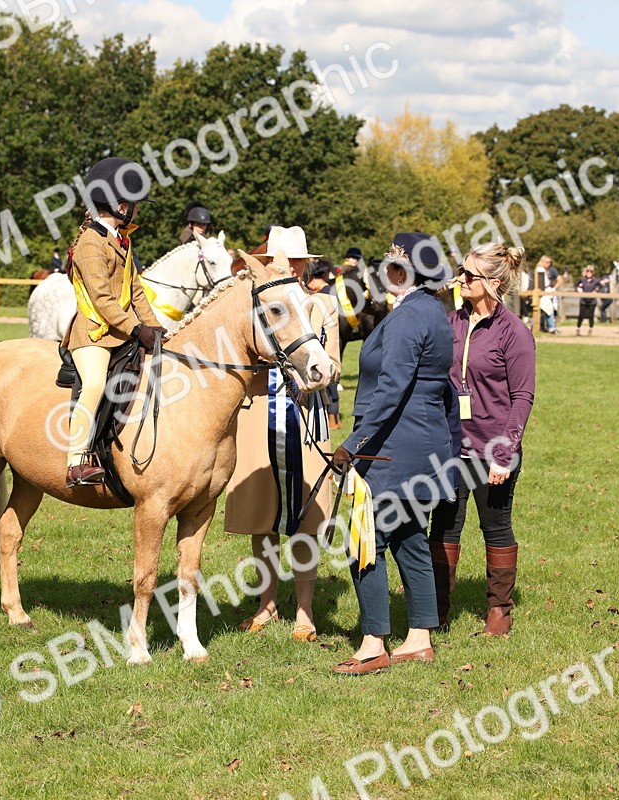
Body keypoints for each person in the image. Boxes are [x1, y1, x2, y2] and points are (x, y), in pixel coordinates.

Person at [329, 232, 456, 675]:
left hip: (391, 449)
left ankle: (372, 643)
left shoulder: (406, 318)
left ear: (414, 275)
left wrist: (352, 445)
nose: (389, 275)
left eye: (397, 269)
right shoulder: (435, 313)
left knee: (364, 540)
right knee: (409, 538)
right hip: (422, 445)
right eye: (387, 267)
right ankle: (419, 638)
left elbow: (391, 391)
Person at [225, 226, 339, 643]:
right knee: (263, 517)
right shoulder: (259, 302)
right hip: (258, 417)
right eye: (283, 259)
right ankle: (267, 602)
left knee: (307, 518)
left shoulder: (324, 304)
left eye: (296, 259)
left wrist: (317, 377)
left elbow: (335, 364)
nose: (290, 266)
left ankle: (305, 612)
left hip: (307, 418)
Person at [429, 242, 535, 637]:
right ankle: (436, 608)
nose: (461, 278)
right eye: (460, 270)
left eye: (469, 274)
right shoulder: (451, 320)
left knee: (496, 526)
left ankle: (499, 610)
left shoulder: (515, 333)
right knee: (443, 526)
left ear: (493, 283)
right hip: (452, 445)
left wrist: (504, 452)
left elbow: (522, 396)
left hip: (494, 449)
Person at [64, 157, 165, 487]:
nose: (138, 211)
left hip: (120, 330)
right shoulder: (90, 243)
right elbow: (103, 300)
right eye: (135, 205)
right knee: (94, 383)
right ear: (121, 205)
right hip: (93, 333)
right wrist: (137, 330)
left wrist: (157, 328)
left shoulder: (123, 240)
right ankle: (76, 460)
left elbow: (135, 290)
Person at [304, 259, 341, 429]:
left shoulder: (326, 297)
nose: (310, 283)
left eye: (312, 279)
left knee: (331, 386)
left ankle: (334, 418)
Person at [534, 256, 559, 333]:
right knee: (548, 309)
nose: (549, 264)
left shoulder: (549, 270)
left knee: (546, 310)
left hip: (547, 292)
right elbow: (544, 283)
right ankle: (551, 326)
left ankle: (546, 326)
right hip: (543, 293)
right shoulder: (540, 270)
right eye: (547, 262)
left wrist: (554, 288)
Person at [574, 265, 599, 335]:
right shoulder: (582, 279)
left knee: (591, 316)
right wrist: (579, 290)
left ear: (593, 272)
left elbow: (601, 286)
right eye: (588, 271)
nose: (589, 273)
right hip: (583, 300)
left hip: (592, 301)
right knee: (581, 315)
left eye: (591, 271)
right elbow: (575, 285)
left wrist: (596, 291)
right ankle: (578, 329)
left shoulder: (595, 280)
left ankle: (590, 329)